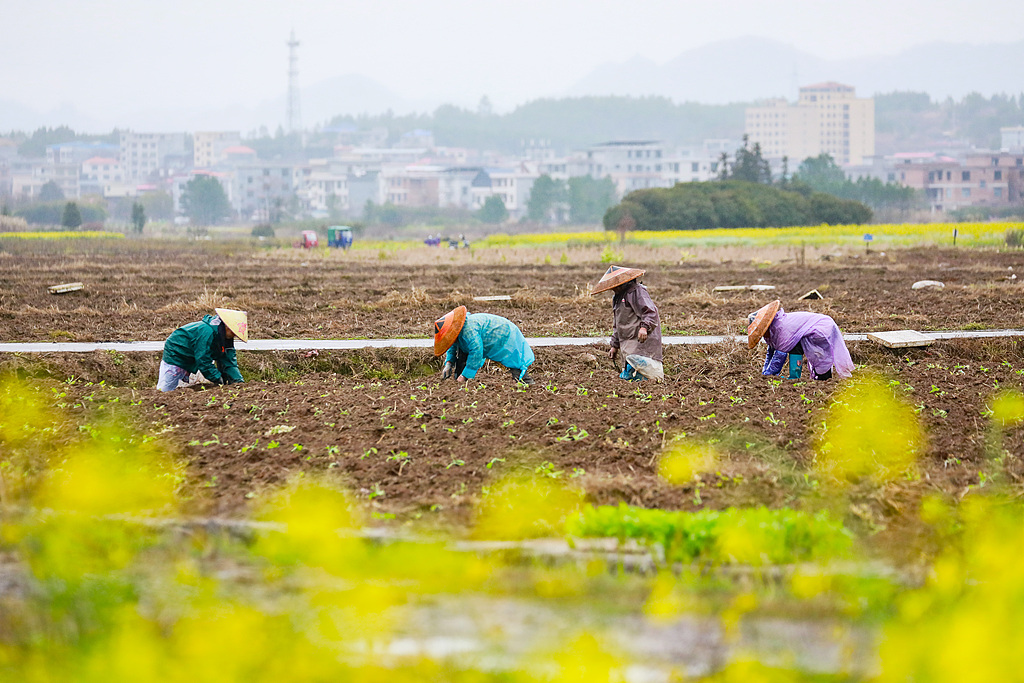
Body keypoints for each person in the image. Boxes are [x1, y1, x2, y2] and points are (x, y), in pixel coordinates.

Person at [747, 300, 854, 380]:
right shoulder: (772, 332)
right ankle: (817, 377)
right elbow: (770, 353)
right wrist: (765, 373)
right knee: (797, 345)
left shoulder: (781, 328)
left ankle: (798, 377)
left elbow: (779, 357)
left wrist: (769, 376)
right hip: (820, 324)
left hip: (822, 327)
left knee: (810, 351)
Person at [592, 265, 663, 381]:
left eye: (615, 287)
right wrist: (614, 345)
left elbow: (650, 312)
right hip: (627, 342)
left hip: (640, 341)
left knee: (639, 372)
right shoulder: (617, 298)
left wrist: (644, 328)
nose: (613, 290)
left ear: (622, 284)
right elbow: (617, 324)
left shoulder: (637, 292)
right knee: (629, 373)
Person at [433, 306, 535, 385]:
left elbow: (476, 351)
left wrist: (464, 376)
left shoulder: (468, 331)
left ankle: (526, 383)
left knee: (513, 361)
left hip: (503, 334)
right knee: (462, 354)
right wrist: (449, 363)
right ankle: (460, 385)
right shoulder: (456, 331)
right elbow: (452, 344)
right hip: (488, 336)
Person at [158, 308, 248, 392]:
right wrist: (218, 378)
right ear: (227, 327)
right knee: (166, 389)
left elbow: (228, 360)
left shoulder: (225, 338)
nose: (234, 336)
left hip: (193, 356)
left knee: (186, 387)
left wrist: (238, 382)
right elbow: (203, 360)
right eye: (234, 332)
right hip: (176, 353)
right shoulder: (207, 332)